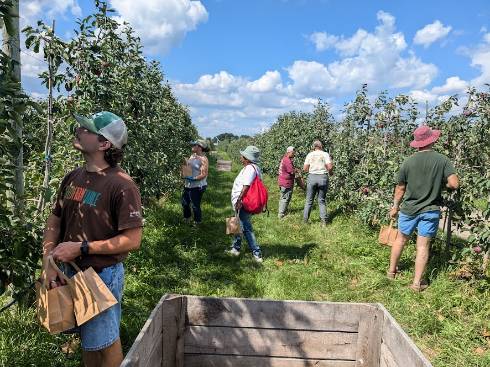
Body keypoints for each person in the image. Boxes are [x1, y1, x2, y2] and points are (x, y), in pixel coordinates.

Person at [43, 111, 143, 367]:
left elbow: (132, 240)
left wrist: (82, 247)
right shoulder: (73, 177)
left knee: (105, 342)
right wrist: (49, 261)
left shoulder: (121, 185)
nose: (79, 130)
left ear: (104, 144)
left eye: (87, 129)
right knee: (89, 341)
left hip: (101, 274)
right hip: (69, 271)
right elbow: (55, 220)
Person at [388, 125, 459, 292]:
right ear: (432, 140)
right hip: (430, 210)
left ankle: (391, 272)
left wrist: (395, 207)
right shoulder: (442, 160)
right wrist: (445, 184)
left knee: (400, 239)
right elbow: (454, 184)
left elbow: (400, 188)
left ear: (418, 143)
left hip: (408, 209)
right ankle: (416, 283)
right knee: (422, 246)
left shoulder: (408, 161)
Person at [228, 146, 263, 262]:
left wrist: (239, 201)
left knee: (246, 228)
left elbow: (246, 186)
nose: (240, 157)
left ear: (247, 158)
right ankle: (235, 247)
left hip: (242, 202)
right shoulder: (254, 168)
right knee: (236, 222)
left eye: (242, 156)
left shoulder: (250, 169)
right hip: (240, 201)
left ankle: (257, 253)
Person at [303, 140, 333, 225]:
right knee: (321, 200)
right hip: (323, 178)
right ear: (321, 146)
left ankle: (305, 221)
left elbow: (305, 168)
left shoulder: (310, 154)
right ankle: (323, 222)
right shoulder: (325, 154)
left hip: (312, 177)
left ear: (314, 147)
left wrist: (312, 170)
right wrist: (330, 173)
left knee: (309, 200)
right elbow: (330, 167)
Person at [182, 139, 209, 226]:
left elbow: (204, 174)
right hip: (188, 185)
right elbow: (188, 168)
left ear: (199, 147)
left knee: (195, 205)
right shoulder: (192, 156)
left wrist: (193, 178)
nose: (192, 146)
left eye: (194, 145)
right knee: (184, 203)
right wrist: (184, 171)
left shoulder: (204, 159)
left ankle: (197, 221)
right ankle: (187, 218)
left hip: (198, 186)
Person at [278, 146, 297, 218]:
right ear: (288, 152)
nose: (294, 154)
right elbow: (291, 171)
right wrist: (297, 171)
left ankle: (282, 212)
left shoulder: (285, 159)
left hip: (282, 182)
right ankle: (281, 215)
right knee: (285, 198)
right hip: (286, 183)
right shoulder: (287, 160)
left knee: (283, 197)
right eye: (293, 153)